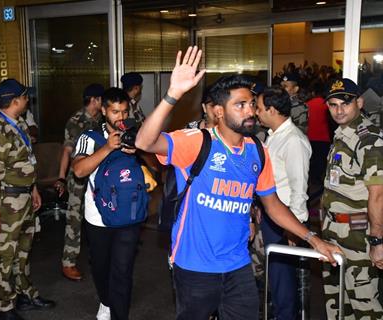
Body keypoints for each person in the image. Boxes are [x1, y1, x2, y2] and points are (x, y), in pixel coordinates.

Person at [135, 46, 342, 320]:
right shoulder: (196, 142)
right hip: (195, 267)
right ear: (219, 112)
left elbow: (273, 204)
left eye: (251, 104)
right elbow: (143, 142)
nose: (251, 112)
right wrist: (173, 94)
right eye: (240, 105)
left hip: (238, 266)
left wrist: (313, 239)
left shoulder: (257, 151)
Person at [0, 79, 55, 320]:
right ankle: (3, 308)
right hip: (7, 203)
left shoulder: (19, 123)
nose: (28, 100)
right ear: (15, 101)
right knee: (5, 255)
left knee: (23, 252)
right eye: (25, 97)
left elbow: (26, 162)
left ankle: (24, 295)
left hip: (24, 198)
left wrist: (33, 190)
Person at [72, 87, 143, 320]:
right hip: (98, 217)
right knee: (102, 268)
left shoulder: (136, 134)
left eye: (123, 111)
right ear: (103, 111)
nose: (120, 117)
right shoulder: (89, 137)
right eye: (114, 112)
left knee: (122, 272)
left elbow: (159, 165)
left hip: (129, 215)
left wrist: (139, 150)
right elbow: (79, 170)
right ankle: (105, 301)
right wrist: (107, 147)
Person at [321, 78, 383, 319]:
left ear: (359, 102)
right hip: (334, 230)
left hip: (358, 233)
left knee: (364, 304)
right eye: (333, 104)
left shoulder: (369, 139)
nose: (338, 110)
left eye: (345, 103)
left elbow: (378, 194)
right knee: (337, 302)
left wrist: (377, 242)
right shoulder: (341, 136)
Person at [255, 85, 312, 319]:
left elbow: (299, 190)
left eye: (259, 108)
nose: (256, 113)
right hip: (272, 216)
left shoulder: (293, 141)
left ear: (271, 110)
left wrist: (293, 229)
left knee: (283, 282)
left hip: (285, 219)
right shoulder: (274, 136)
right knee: (276, 279)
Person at [55, 83, 104, 281]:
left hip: (99, 175)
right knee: (74, 219)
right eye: (101, 100)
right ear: (94, 100)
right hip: (78, 177)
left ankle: (99, 257)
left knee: (99, 216)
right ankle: (68, 262)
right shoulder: (75, 121)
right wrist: (60, 176)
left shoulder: (102, 120)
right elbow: (67, 150)